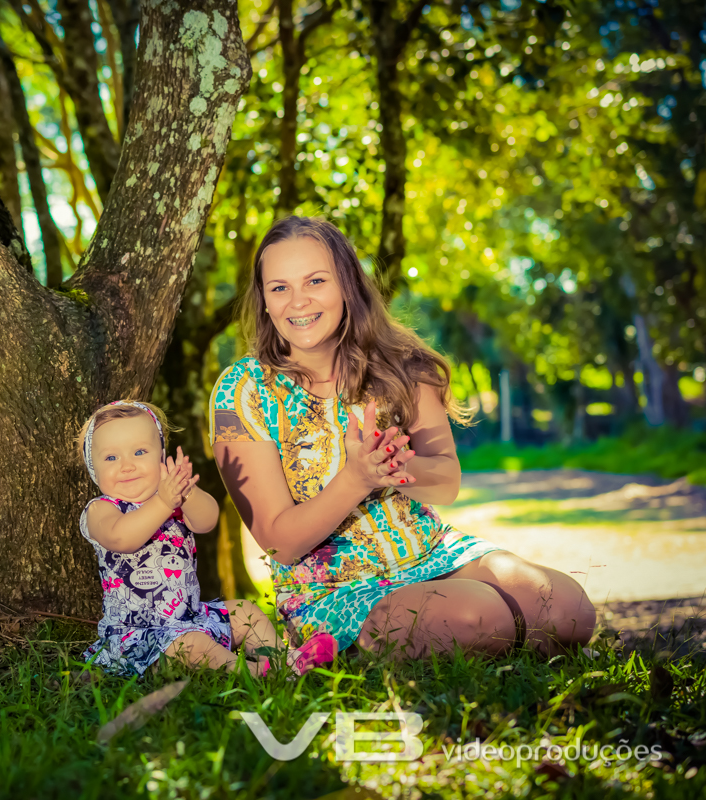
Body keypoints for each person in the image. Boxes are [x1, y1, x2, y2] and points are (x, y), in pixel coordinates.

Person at [210, 216, 596, 659]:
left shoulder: (400, 364)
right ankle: (352, 649)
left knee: (571, 611)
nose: (297, 302)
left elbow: (446, 481)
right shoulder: (243, 391)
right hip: (333, 591)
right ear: (263, 299)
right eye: (279, 288)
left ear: (347, 284)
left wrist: (393, 466)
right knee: (480, 616)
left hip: (434, 553)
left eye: (315, 280)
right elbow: (280, 542)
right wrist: (356, 478)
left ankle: (485, 637)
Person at [77, 400, 337, 677]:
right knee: (195, 646)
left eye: (139, 452)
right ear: (93, 467)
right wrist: (165, 502)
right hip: (139, 639)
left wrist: (187, 492)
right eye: (111, 458)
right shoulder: (101, 509)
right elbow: (121, 538)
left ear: (161, 457)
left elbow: (207, 520)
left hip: (191, 618)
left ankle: (281, 660)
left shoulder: (174, 501)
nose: (127, 466)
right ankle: (255, 674)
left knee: (245, 612)